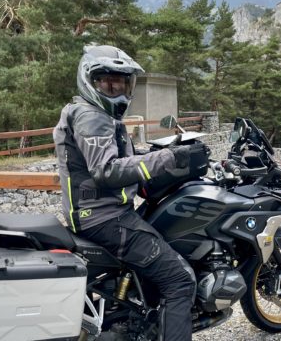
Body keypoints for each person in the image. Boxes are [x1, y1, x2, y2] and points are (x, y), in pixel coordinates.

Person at [53, 44, 208, 340]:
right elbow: (106, 170)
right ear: (90, 81)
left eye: (122, 82)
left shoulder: (95, 114)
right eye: (107, 82)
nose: (117, 89)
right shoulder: (92, 116)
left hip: (99, 214)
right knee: (180, 280)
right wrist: (170, 158)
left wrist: (162, 156)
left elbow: (123, 163)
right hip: (105, 219)